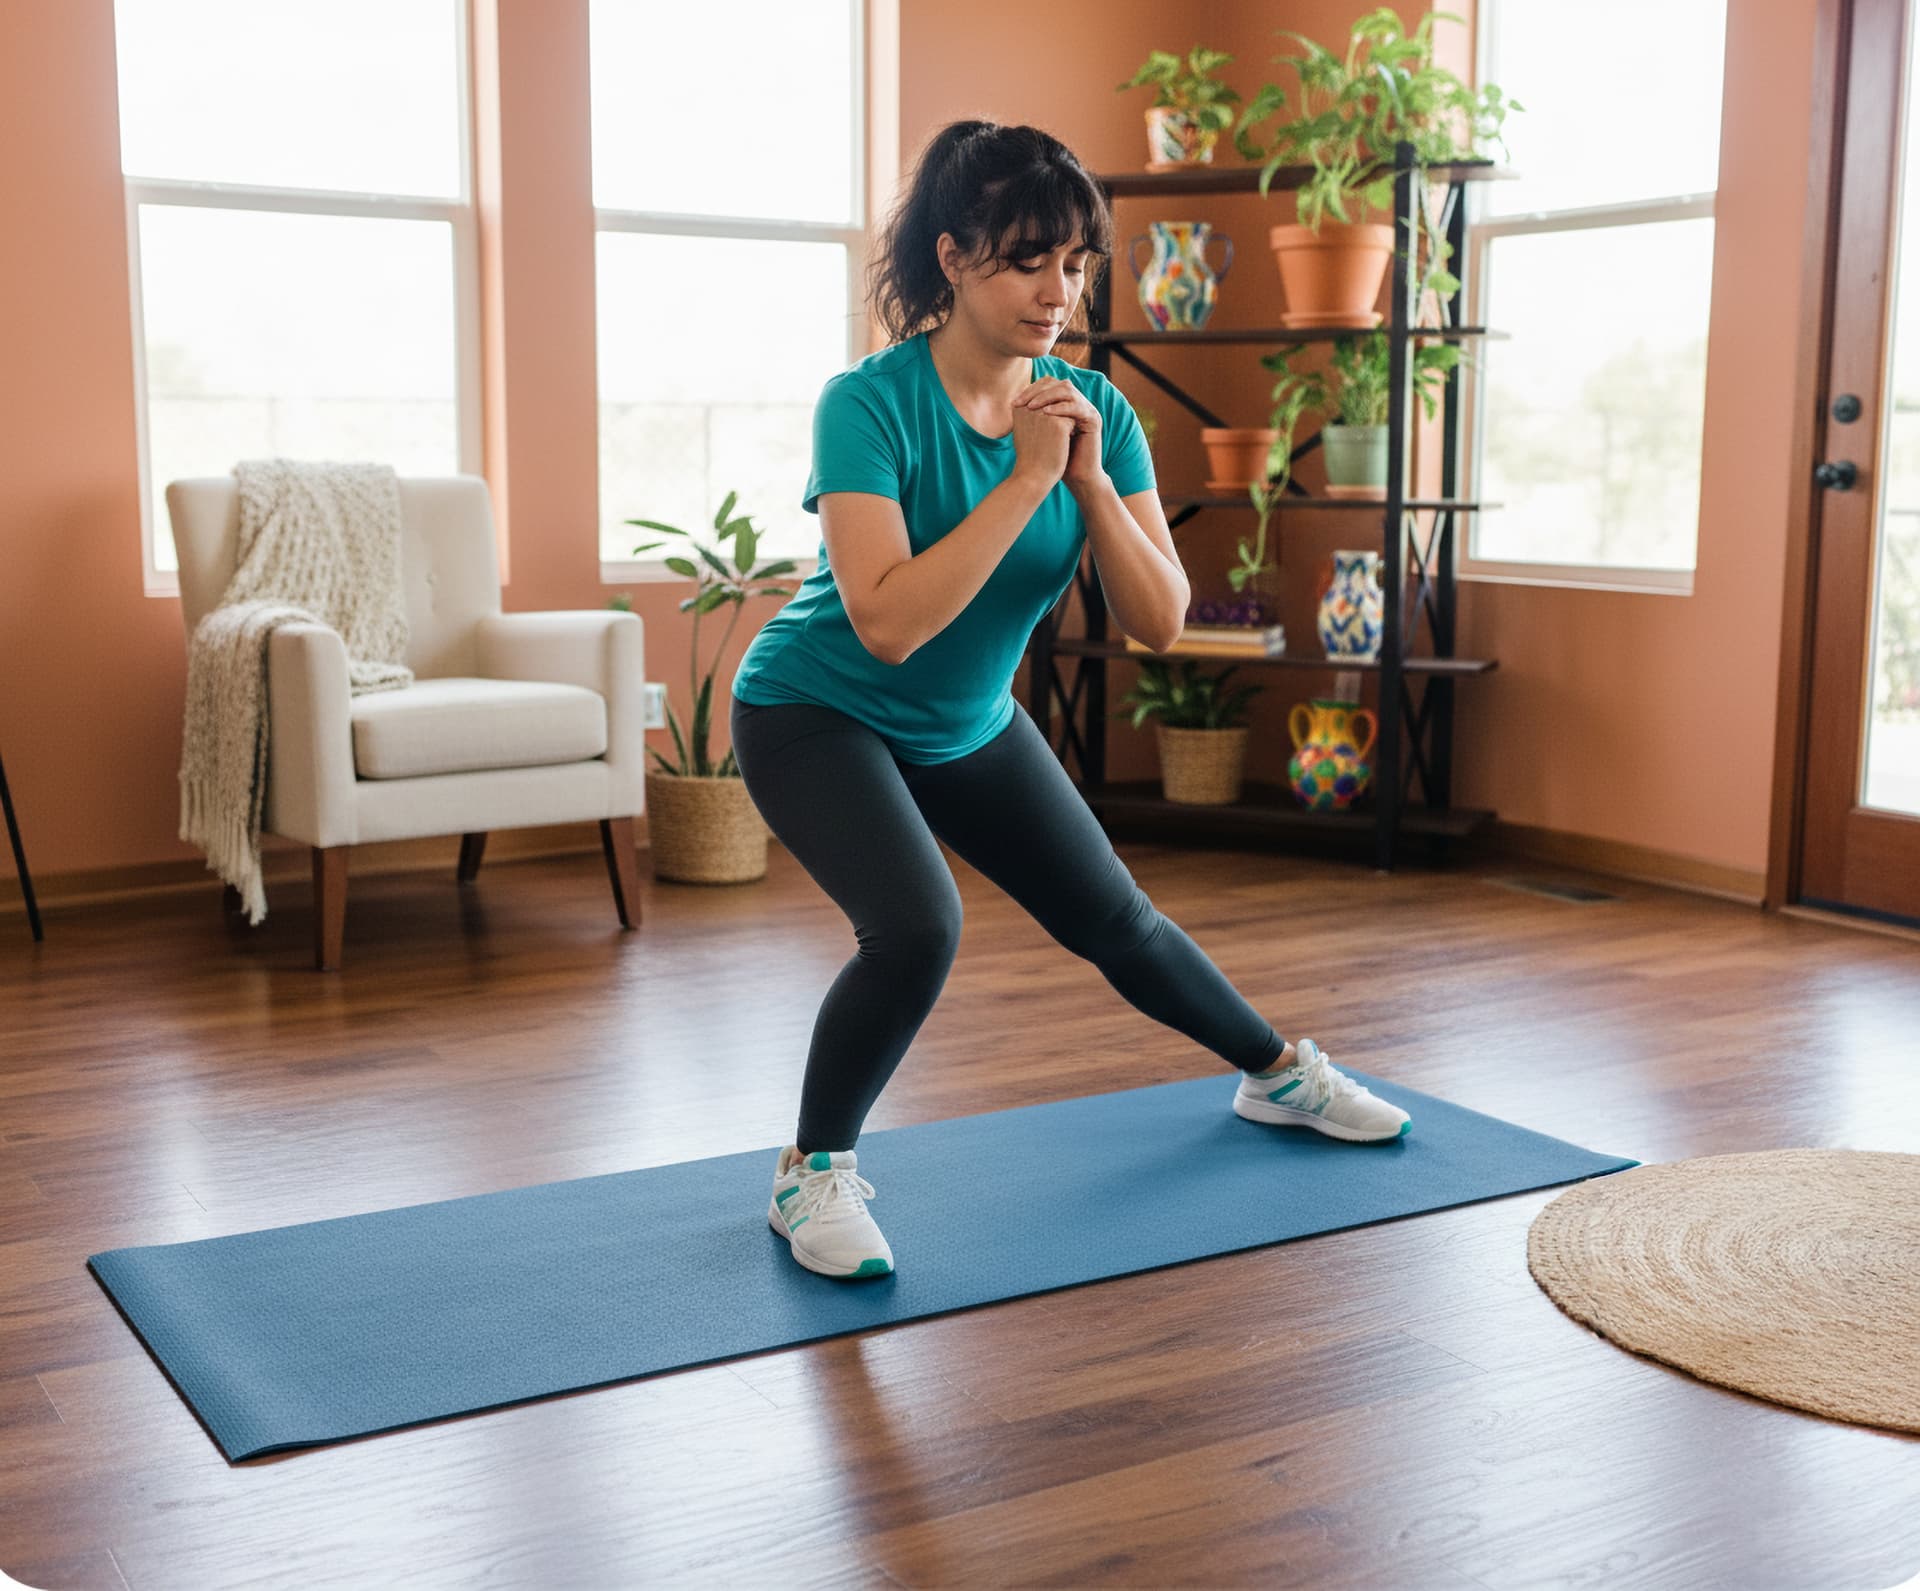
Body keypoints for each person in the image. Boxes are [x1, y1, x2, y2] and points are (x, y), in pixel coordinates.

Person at [729, 120, 1410, 1282]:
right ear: (953, 257)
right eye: (1030, 260)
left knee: (1118, 920)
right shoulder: (867, 405)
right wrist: (1028, 479)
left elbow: (1159, 616)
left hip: (967, 719)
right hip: (816, 708)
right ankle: (811, 1174)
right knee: (917, 925)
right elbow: (888, 622)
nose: (1061, 291)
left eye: (1079, 265)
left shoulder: (1096, 410)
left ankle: (1276, 1074)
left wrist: (1089, 478)